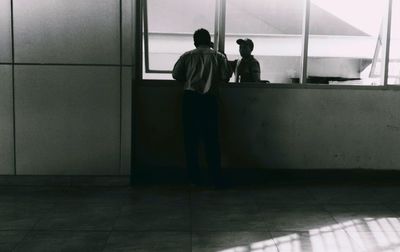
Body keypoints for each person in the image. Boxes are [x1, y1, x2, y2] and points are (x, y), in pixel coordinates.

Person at [172, 28, 231, 187]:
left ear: (195, 41)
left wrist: (190, 76)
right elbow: (226, 76)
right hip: (209, 100)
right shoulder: (218, 56)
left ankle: (194, 178)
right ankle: (214, 177)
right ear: (209, 40)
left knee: (190, 140)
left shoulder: (187, 56)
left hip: (190, 100)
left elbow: (176, 75)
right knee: (212, 139)